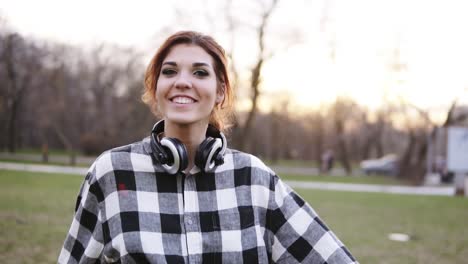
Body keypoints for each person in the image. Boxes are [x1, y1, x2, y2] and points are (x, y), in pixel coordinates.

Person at [59, 31, 358, 264]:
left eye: (200, 73)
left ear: (220, 91)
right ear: (155, 88)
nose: (183, 82)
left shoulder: (254, 179)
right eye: (170, 71)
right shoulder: (111, 172)